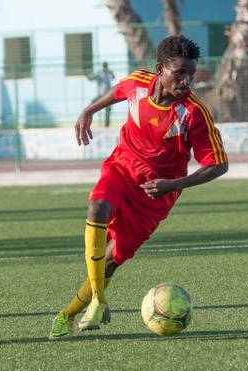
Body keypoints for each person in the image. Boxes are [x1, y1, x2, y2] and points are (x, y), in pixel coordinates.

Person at [49, 35, 229, 340]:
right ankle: (99, 300)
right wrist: (89, 110)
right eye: (179, 73)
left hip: (154, 196)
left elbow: (218, 164)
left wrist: (174, 184)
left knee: (109, 261)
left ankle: (66, 315)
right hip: (122, 168)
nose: (186, 81)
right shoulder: (137, 84)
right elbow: (118, 91)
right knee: (97, 207)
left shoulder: (194, 114)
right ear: (160, 69)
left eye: (191, 75)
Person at [87, 62, 115, 127]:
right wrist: (88, 75)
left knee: (108, 110)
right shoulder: (99, 73)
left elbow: (113, 76)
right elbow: (91, 78)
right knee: (92, 104)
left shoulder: (109, 73)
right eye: (104, 66)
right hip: (101, 95)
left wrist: (110, 73)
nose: (105, 68)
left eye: (106, 66)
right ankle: (87, 118)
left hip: (108, 95)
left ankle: (107, 125)